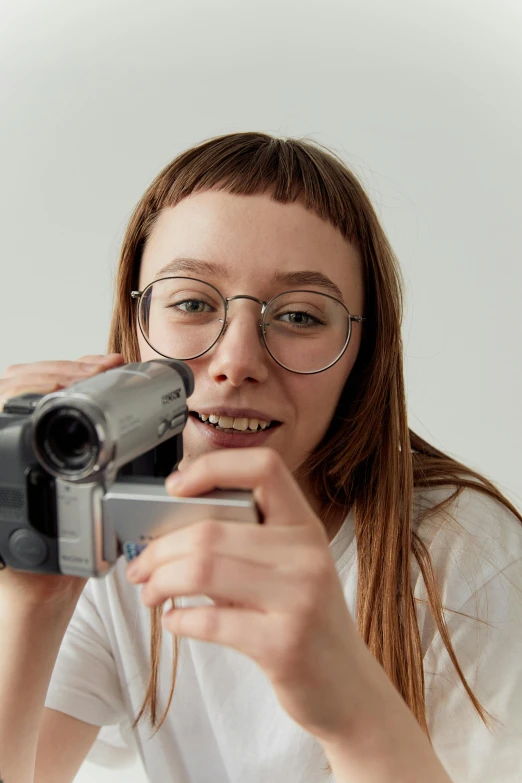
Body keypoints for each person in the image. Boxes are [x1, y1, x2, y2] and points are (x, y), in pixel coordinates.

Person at [0, 132, 521, 783]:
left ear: (363, 355)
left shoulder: (465, 555)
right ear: (135, 324)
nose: (238, 361)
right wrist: (30, 596)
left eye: (300, 316)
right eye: (191, 303)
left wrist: (353, 708)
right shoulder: (112, 534)